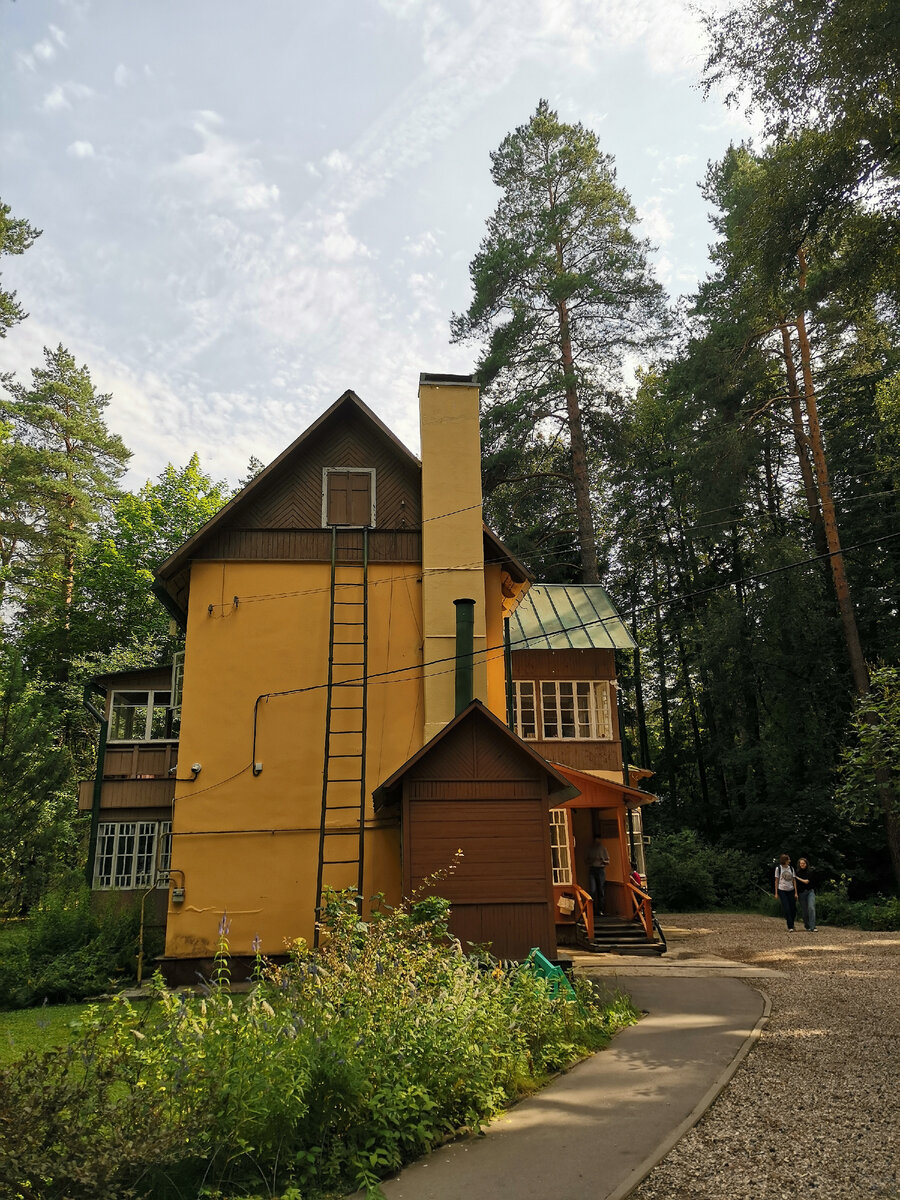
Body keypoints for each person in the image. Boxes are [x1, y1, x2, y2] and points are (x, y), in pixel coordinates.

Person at [586, 836, 610, 915]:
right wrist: (592, 860)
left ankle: (601, 909)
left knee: (601, 890)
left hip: (600, 869)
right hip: (592, 869)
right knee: (592, 890)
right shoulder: (591, 849)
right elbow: (586, 860)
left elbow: (608, 861)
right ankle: (592, 909)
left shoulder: (603, 849)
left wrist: (602, 861)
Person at [775, 853, 798, 932]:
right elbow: (776, 881)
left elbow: (794, 880)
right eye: (788, 859)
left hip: (791, 890)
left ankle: (792, 922)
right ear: (784, 860)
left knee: (793, 909)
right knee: (787, 908)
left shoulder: (791, 868)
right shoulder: (778, 868)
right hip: (782, 890)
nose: (789, 861)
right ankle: (790, 926)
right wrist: (776, 893)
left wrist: (796, 892)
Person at [795, 857, 817, 932]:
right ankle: (807, 925)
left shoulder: (810, 871)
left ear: (806, 864)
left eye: (803, 863)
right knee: (805, 911)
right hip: (801, 893)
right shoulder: (797, 872)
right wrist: (796, 894)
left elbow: (806, 881)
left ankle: (813, 926)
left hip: (810, 892)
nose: (802, 864)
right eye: (801, 863)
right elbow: (795, 885)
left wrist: (797, 878)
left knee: (811, 908)